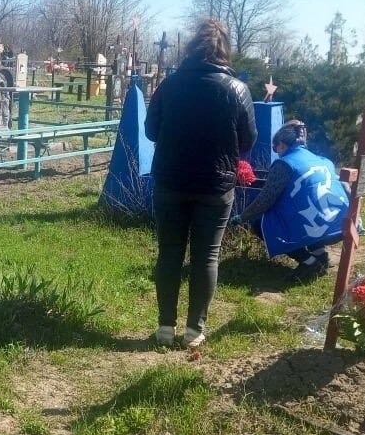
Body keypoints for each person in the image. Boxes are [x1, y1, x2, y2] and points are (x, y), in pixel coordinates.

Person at [145, 18, 257, 348]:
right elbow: (248, 140)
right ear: (226, 52)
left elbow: (151, 131)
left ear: (191, 48)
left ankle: (165, 328)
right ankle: (195, 330)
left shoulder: (170, 85)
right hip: (215, 184)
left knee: (169, 253)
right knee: (207, 256)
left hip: (171, 180)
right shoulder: (237, 90)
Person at [230, 120, 350, 282]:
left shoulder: (284, 164)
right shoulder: (322, 160)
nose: (276, 152)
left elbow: (265, 200)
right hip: (339, 225)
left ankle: (310, 262)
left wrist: (242, 217)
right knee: (310, 214)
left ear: (281, 144)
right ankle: (321, 256)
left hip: (318, 228)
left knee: (261, 224)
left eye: (275, 147)